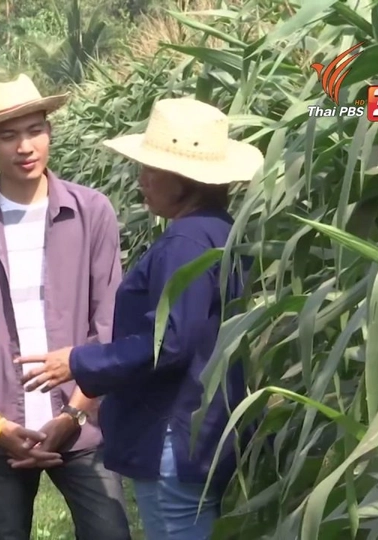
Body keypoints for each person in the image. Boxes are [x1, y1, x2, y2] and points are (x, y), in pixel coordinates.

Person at [15, 97, 263, 539]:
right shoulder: (221, 231)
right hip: (206, 431)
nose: (141, 180)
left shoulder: (185, 243)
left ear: (184, 180)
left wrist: (77, 361)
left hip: (173, 435)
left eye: (151, 170)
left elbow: (167, 343)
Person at [0, 73, 133, 540]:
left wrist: (73, 415)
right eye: (8, 136)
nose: (25, 147)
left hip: (82, 425)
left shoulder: (91, 213)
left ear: (49, 131)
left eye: (35, 130)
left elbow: (108, 326)